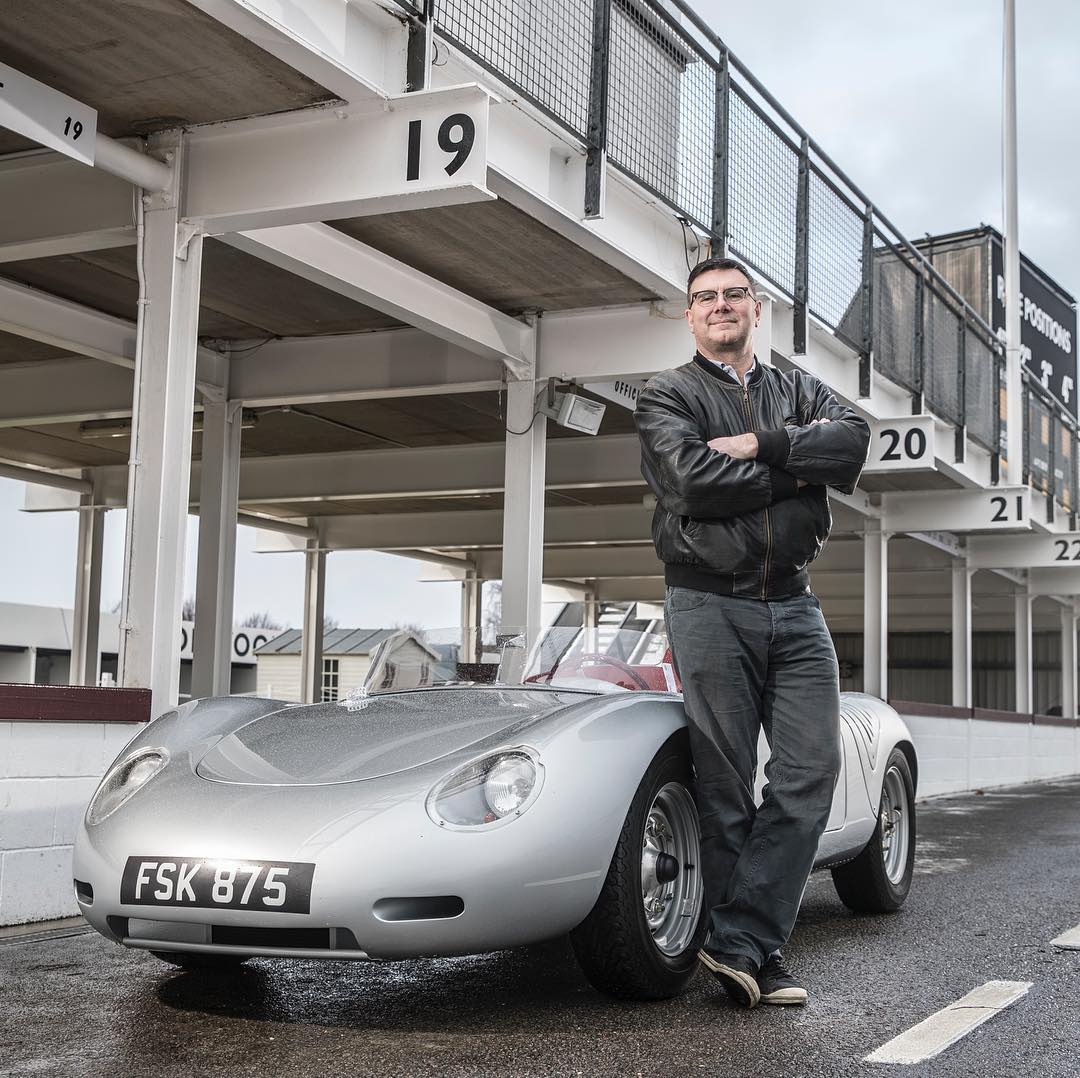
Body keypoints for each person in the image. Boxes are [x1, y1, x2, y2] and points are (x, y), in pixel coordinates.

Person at [634, 256, 870, 1008]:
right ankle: (757, 958)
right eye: (706, 298)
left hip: (796, 604)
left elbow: (855, 443)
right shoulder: (667, 393)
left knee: (810, 772)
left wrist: (763, 445)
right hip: (707, 603)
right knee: (726, 785)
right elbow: (690, 485)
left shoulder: (796, 387)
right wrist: (799, 468)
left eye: (733, 294)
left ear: (755, 306)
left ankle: (738, 940)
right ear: (690, 315)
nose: (720, 306)